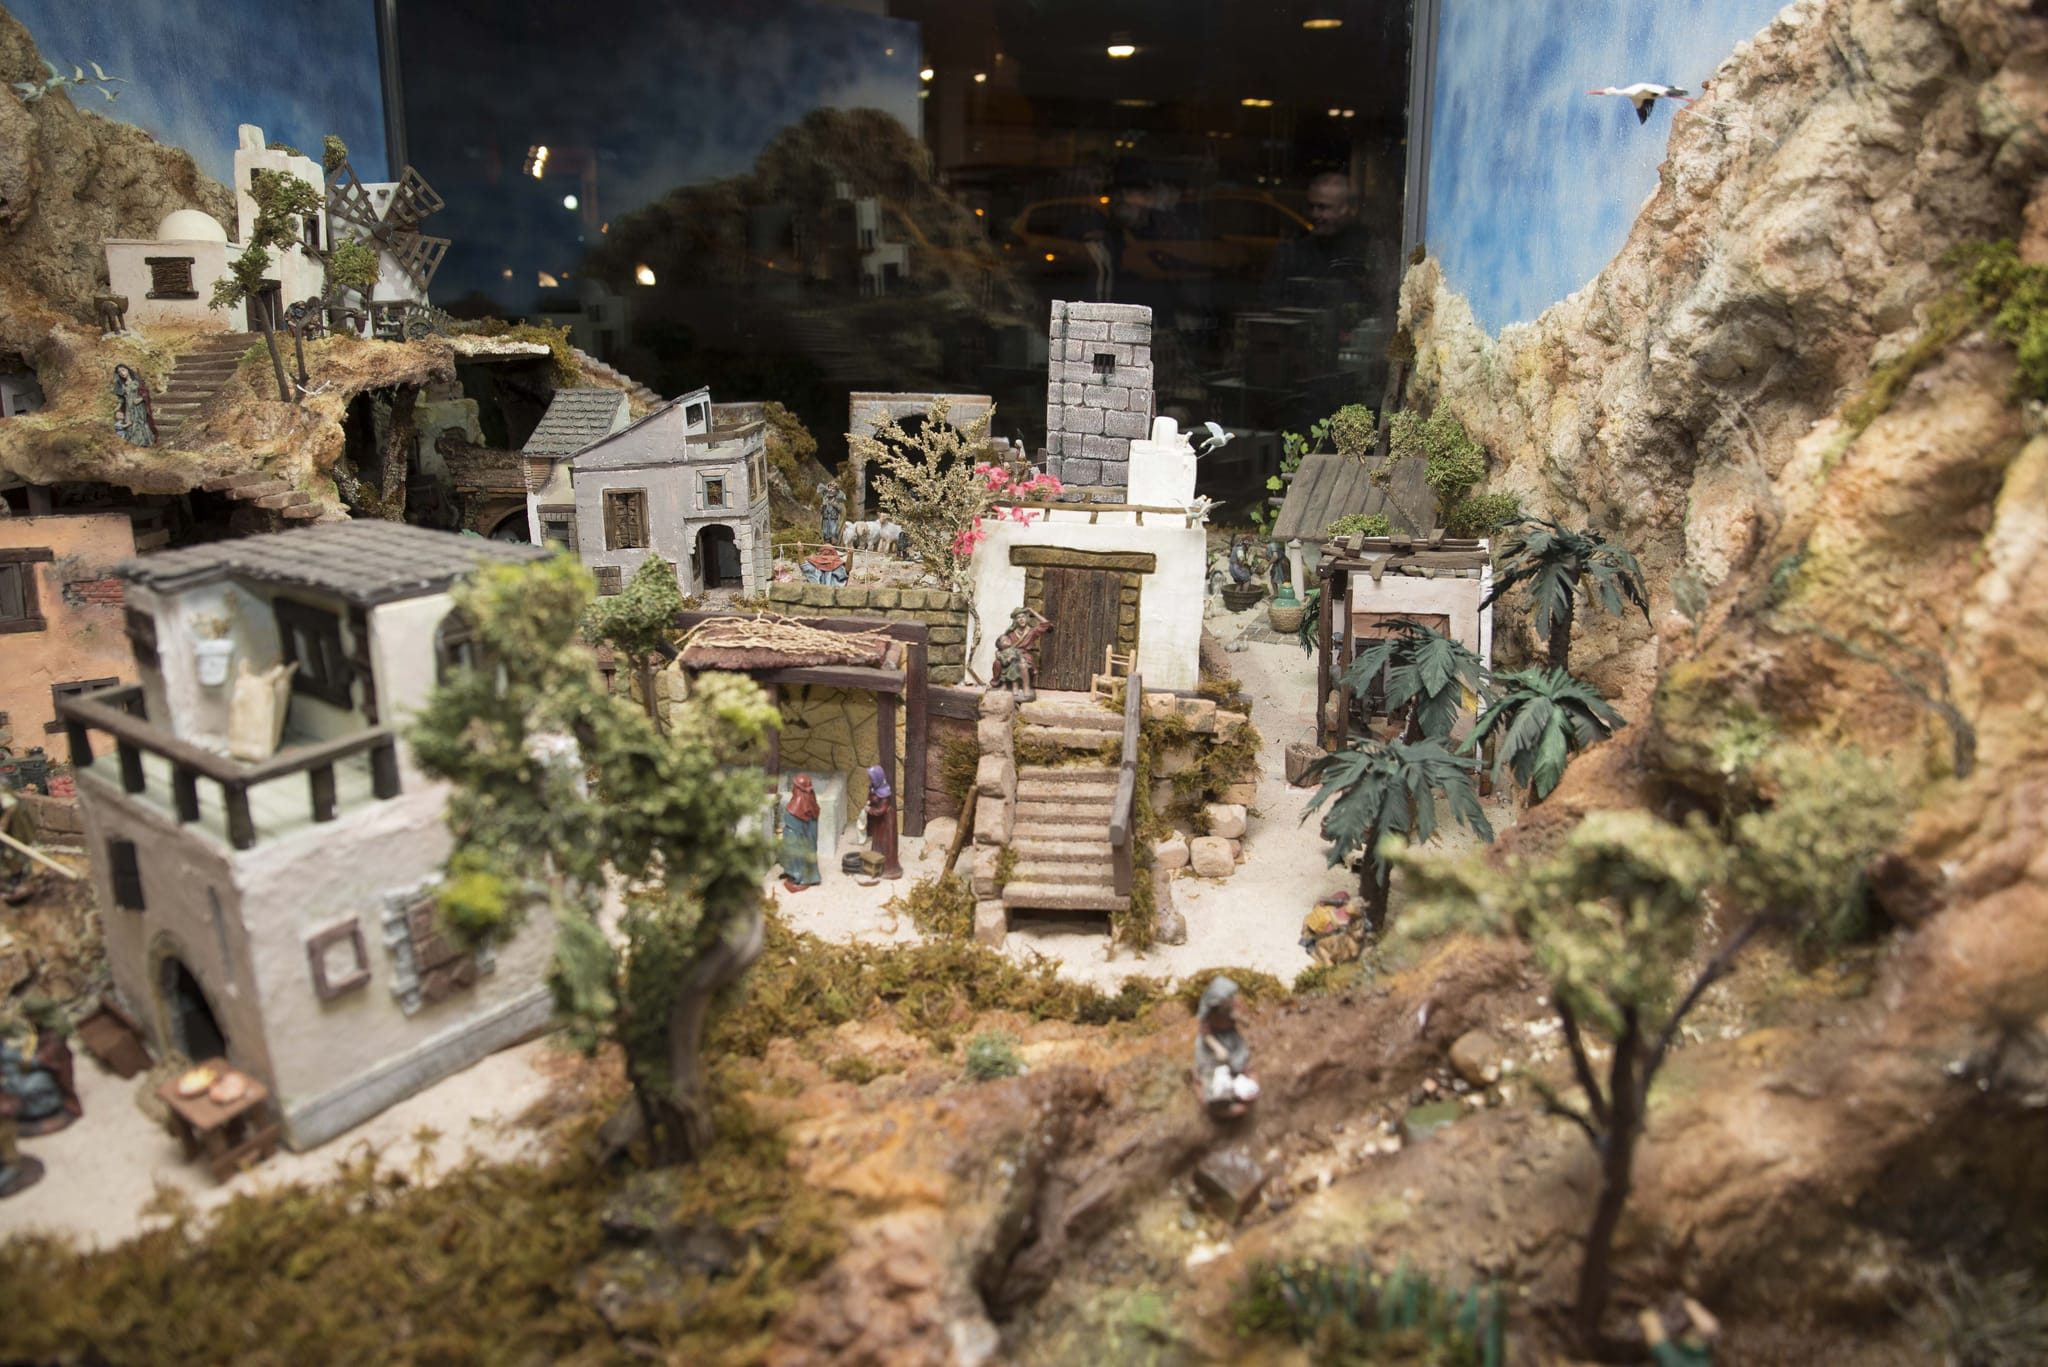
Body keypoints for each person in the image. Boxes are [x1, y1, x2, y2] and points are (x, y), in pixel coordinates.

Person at [1193, 976, 1260, 1119]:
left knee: (1239, 1061)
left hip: (1231, 1039)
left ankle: (1241, 1083)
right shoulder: (1210, 1015)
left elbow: (1242, 1020)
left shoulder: (1230, 1008)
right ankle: (1219, 1100)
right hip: (1211, 1049)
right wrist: (1217, 1048)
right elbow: (1206, 1035)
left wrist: (1241, 1017)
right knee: (1215, 1074)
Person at [1639, 1294, 1719, 1366]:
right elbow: (1711, 1332)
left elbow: (1659, 1344)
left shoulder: (1675, 1361)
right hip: (1692, 1347)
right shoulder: (1704, 1354)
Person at [781, 775, 821, 894]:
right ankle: (792, 873)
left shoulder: (799, 805)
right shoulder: (810, 804)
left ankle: (800, 877)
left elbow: (798, 826)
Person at [865, 765, 901, 880]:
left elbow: (881, 810)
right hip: (879, 821)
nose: (870, 780)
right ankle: (877, 864)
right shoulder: (873, 788)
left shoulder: (884, 793)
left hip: (886, 820)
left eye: (872, 778)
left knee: (886, 842)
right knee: (878, 841)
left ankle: (889, 867)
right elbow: (871, 798)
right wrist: (869, 802)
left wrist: (870, 810)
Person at [112, 364, 157, 447]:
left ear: (127, 370)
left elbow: (146, 392)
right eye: (119, 372)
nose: (122, 373)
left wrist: (141, 398)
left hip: (138, 407)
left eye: (123, 370)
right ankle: (133, 443)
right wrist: (118, 406)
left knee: (139, 423)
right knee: (130, 423)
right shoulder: (122, 385)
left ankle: (144, 442)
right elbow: (122, 399)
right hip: (129, 408)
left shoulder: (137, 381)